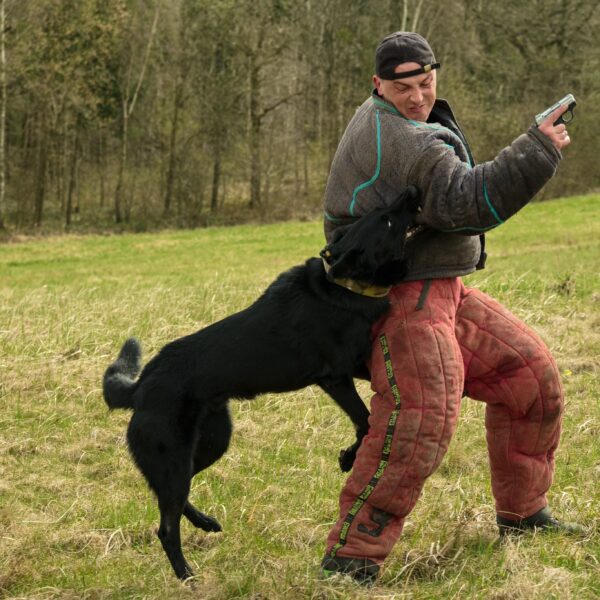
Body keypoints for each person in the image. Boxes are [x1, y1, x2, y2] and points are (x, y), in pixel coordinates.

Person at [320, 31, 582, 585]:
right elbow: (468, 201)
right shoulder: (400, 141)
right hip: (403, 300)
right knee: (420, 425)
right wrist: (537, 148)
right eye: (403, 88)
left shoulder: (405, 122)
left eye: (426, 82)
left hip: (442, 288)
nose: (418, 97)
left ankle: (524, 515)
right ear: (377, 85)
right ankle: (350, 560)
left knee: (531, 380)